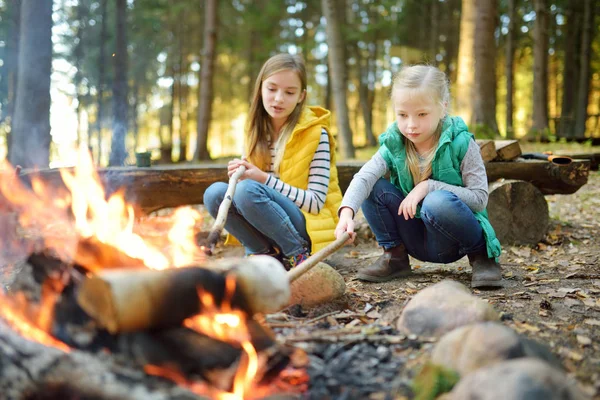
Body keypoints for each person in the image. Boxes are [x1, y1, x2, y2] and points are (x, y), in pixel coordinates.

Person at [334, 65, 503, 288]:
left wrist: (428, 187)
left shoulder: (462, 143)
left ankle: (482, 257)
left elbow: (480, 198)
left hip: (455, 240)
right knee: (373, 186)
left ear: (443, 108)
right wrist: (347, 213)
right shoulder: (395, 144)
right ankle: (394, 256)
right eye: (402, 115)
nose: (411, 124)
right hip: (414, 237)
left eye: (422, 114)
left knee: (437, 200)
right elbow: (364, 177)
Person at [204, 53, 342, 270]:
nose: (278, 99)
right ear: (260, 88)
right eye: (272, 89)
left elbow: (315, 203)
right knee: (214, 193)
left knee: (248, 189)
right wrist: (241, 174)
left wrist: (262, 179)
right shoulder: (254, 131)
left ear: (301, 97)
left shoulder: (317, 135)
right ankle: (263, 253)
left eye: (289, 92)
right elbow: (248, 194)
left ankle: (298, 254)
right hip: (269, 222)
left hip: (306, 225)